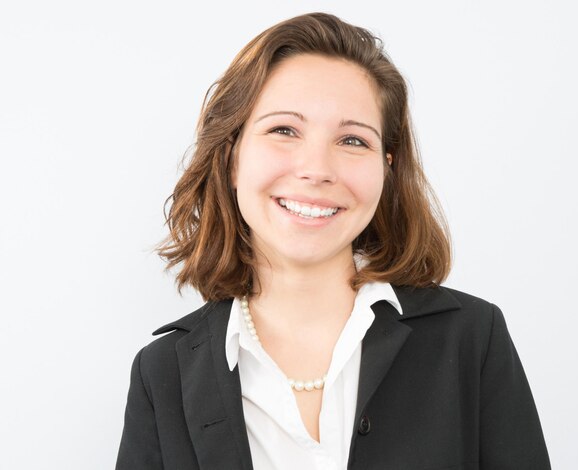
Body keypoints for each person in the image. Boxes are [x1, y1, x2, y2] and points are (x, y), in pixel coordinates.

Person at [116, 12, 551, 470]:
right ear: (231, 156)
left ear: (387, 167)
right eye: (284, 130)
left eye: (352, 140)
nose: (317, 168)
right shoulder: (162, 373)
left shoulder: (472, 338)